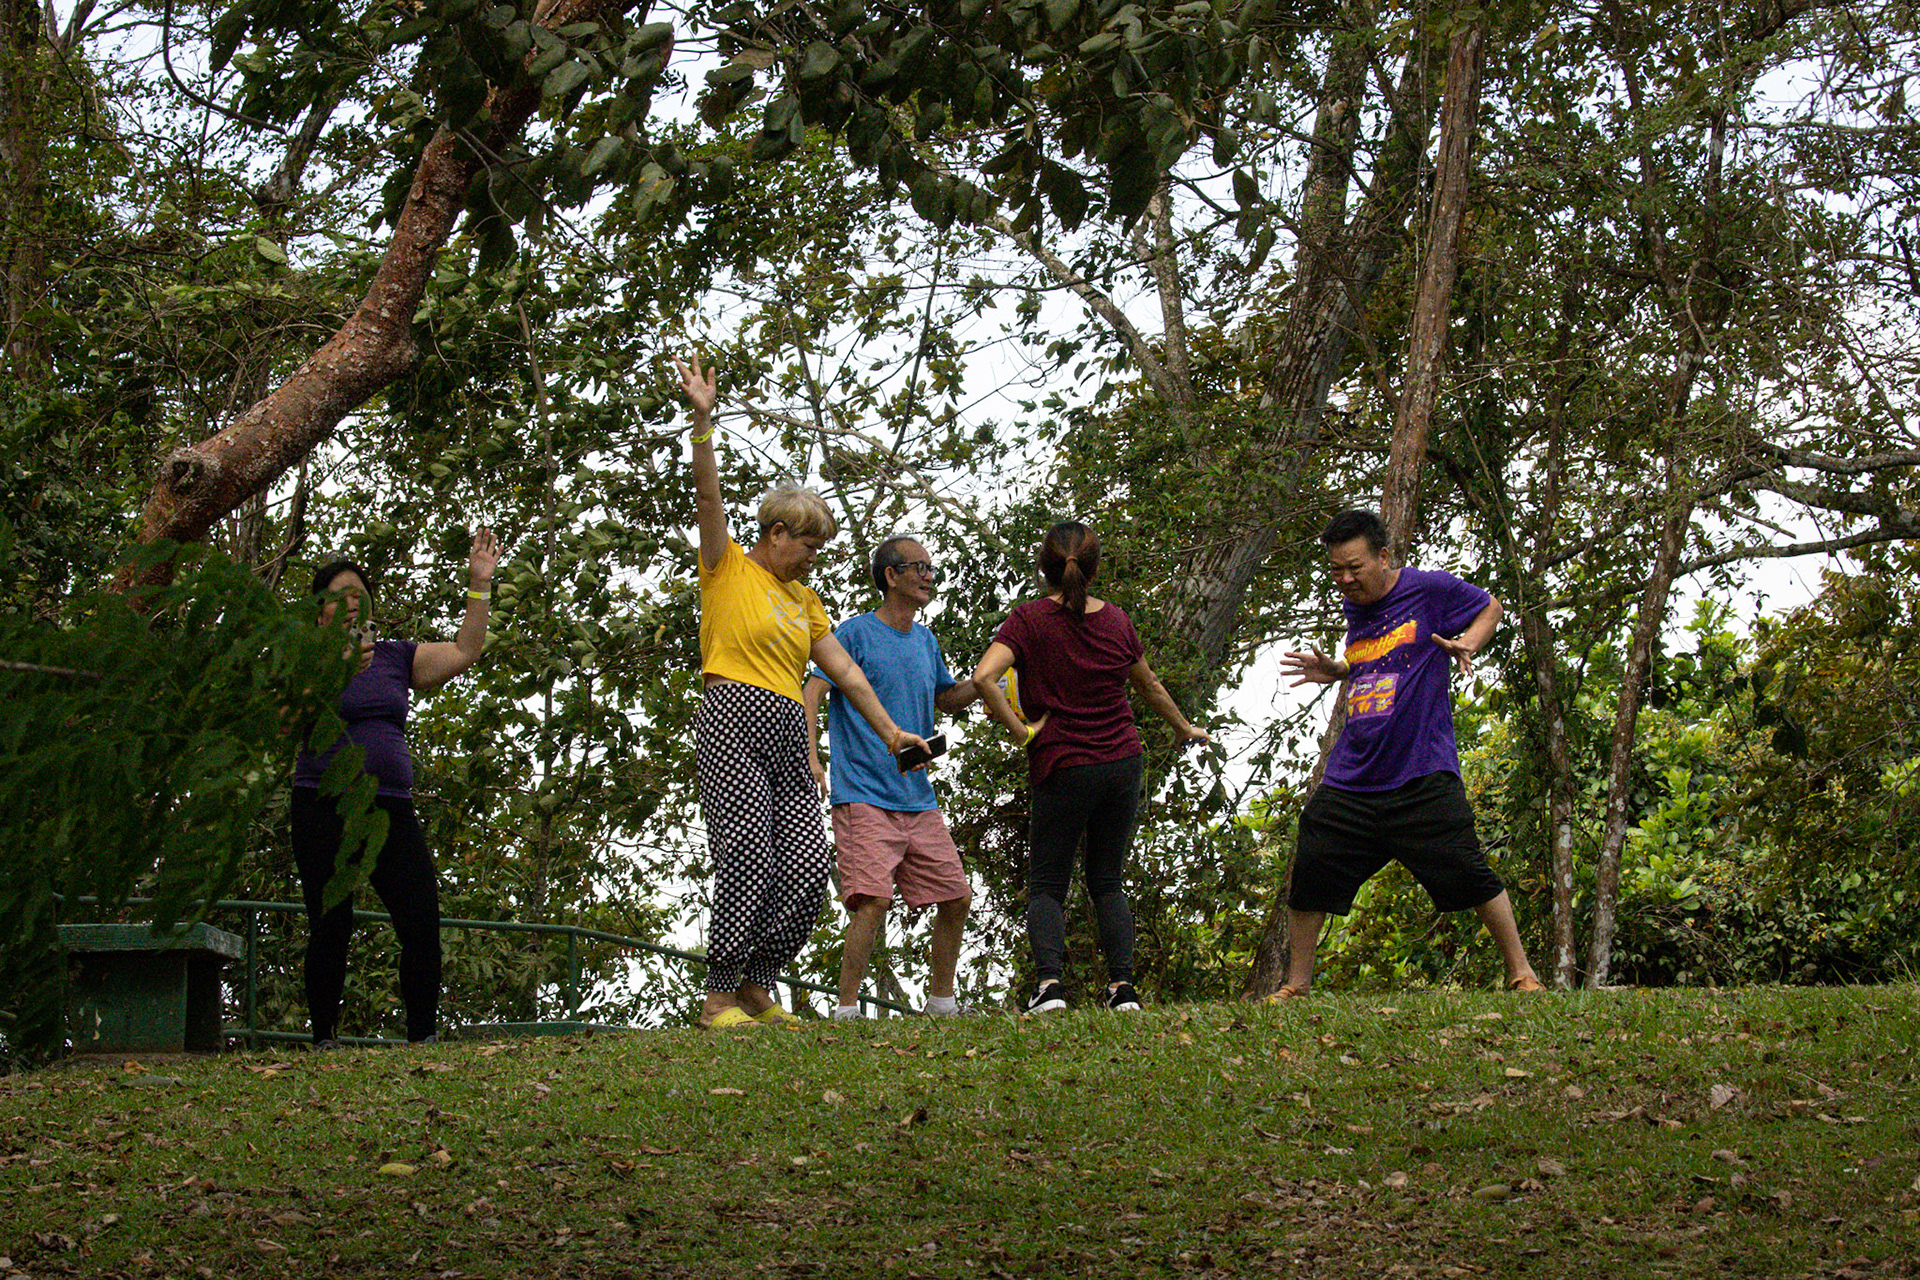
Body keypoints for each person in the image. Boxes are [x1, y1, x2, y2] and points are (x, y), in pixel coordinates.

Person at [677, 354, 931, 1030]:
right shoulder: (726, 565)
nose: (814, 555)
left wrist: (891, 732)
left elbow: (846, 674)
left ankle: (761, 985)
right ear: (776, 532)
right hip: (733, 711)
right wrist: (704, 422)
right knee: (747, 851)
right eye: (807, 543)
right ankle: (718, 996)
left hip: (789, 725)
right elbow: (708, 499)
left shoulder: (806, 600)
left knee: (804, 859)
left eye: (820, 547)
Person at [1275, 508, 1545, 997]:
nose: (1345, 578)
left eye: (1354, 566)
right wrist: (1339, 670)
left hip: (1420, 771)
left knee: (1468, 869)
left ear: (1383, 556)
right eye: (1336, 569)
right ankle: (1296, 986)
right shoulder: (1355, 605)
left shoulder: (1428, 589)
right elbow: (1379, 659)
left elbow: (1492, 606)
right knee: (1313, 866)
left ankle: (1522, 974)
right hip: (1353, 776)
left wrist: (1469, 643)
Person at [973, 521, 1209, 1014]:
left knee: (1048, 884)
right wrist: (1184, 728)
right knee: (1107, 880)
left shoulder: (1028, 620)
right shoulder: (1118, 622)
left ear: (1045, 568)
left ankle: (1050, 988)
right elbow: (1148, 686)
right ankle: (1122, 990)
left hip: (1064, 762)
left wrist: (1021, 731)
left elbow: (984, 678)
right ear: (1095, 569)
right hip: (1122, 761)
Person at [292, 529, 500, 1047]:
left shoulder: (393, 656)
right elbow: (280, 717)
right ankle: (324, 1041)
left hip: (388, 809)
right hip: (322, 802)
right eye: (337, 598)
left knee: (420, 917)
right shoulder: (303, 660)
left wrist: (479, 585)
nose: (349, 604)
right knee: (330, 921)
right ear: (319, 614)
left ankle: (421, 1040)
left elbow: (464, 649)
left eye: (357, 596)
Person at [803, 536, 979, 1020]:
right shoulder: (855, 634)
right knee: (873, 901)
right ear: (890, 576)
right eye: (918, 566)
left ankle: (942, 1003)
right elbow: (813, 691)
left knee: (955, 895)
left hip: (917, 798)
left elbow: (947, 699)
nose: (928, 575)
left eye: (931, 568)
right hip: (863, 793)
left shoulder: (926, 640)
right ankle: (845, 1010)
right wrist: (813, 759)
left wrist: (987, 677)